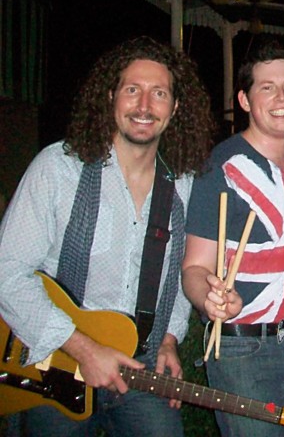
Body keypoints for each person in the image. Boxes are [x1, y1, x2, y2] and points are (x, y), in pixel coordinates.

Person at [0, 36, 215, 436]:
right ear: (111, 96)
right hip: (56, 357)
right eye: (132, 90)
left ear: (175, 108)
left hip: (140, 366)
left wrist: (169, 338)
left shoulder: (182, 184)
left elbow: (178, 274)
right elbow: (7, 273)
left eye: (159, 93)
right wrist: (84, 348)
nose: (144, 106)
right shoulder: (59, 168)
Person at [182, 43, 284, 437]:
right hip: (245, 348)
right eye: (266, 88)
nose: (281, 98)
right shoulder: (220, 167)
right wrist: (208, 298)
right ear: (244, 100)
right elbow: (194, 268)